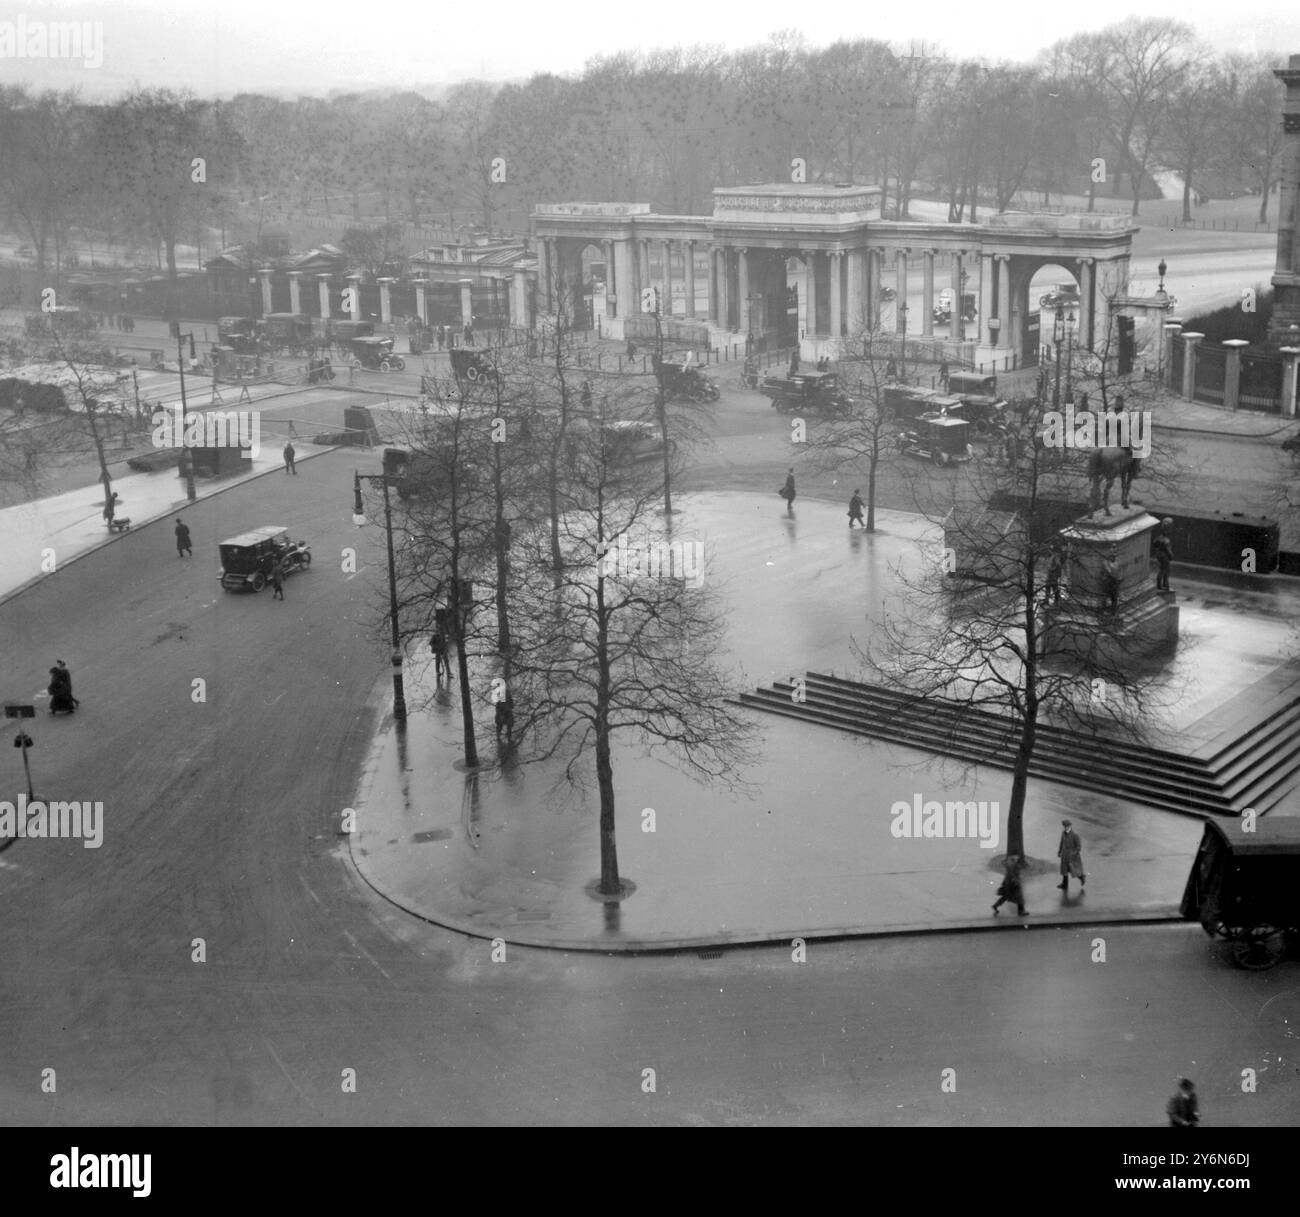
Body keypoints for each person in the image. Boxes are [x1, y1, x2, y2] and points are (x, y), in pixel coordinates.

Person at [1057, 819, 1086, 892]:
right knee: (1064, 870)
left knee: (1073, 870)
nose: (1066, 827)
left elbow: (1079, 846)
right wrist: (1059, 851)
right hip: (1064, 854)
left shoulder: (1075, 835)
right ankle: (1064, 884)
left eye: (1067, 826)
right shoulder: (1063, 833)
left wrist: (1074, 853)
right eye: (1064, 826)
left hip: (1072, 856)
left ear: (1070, 826)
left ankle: (1081, 877)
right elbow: (1061, 843)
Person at [1152, 518, 1174, 591]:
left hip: (1160, 555)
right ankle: (1163, 585)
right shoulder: (1167, 540)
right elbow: (1168, 551)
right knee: (1165, 570)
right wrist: (1171, 557)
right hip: (1164, 556)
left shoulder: (1159, 538)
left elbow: (1154, 544)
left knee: (1164, 570)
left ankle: (1163, 584)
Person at [1102, 544, 1121, 614]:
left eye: (1115, 555)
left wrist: (1119, 578)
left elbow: (1118, 571)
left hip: (1114, 582)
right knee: (1105, 596)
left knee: (1114, 597)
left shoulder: (1117, 562)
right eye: (1113, 556)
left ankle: (1114, 610)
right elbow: (1109, 572)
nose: (1114, 557)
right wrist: (1117, 578)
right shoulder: (1106, 563)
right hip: (1108, 581)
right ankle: (1104, 610)